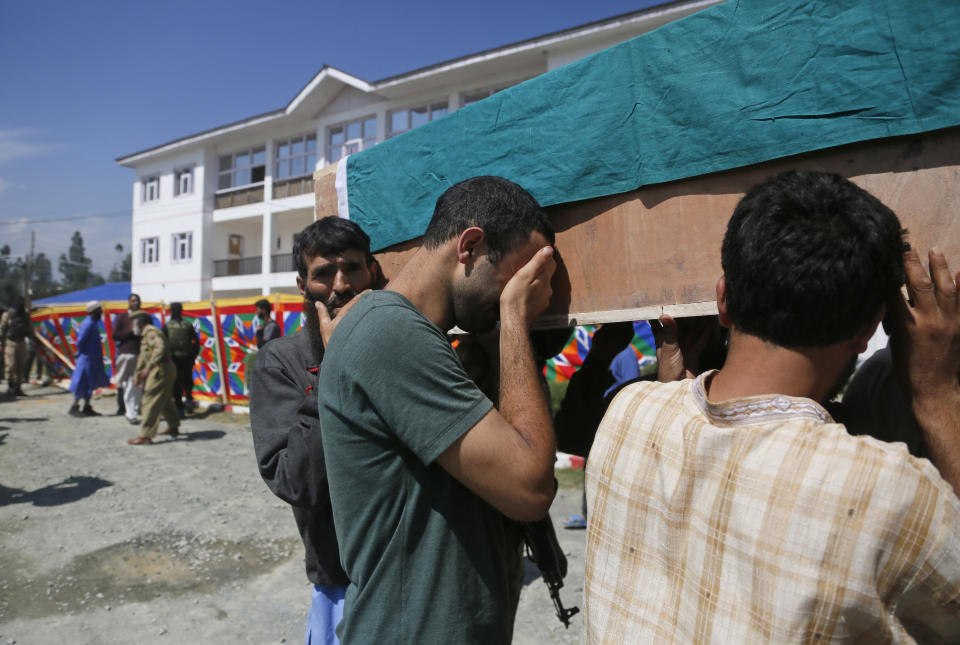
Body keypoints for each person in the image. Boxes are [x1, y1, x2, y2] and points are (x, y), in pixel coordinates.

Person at [583, 170, 960, 642]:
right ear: (868, 332)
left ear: (723, 300)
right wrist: (937, 392)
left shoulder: (629, 411)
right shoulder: (888, 490)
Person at [317, 176, 557, 643]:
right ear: (469, 246)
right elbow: (529, 488)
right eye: (515, 279)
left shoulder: (412, 334)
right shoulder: (389, 332)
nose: (521, 293)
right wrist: (513, 319)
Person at [250, 216, 385, 645]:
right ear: (303, 285)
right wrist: (335, 366)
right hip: (342, 584)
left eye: (353, 269)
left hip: (415, 575)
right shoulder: (281, 361)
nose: (341, 285)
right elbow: (296, 481)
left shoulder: (402, 348)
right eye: (324, 274)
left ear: (374, 273)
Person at [127, 311, 179, 445]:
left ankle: (146, 436)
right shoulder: (145, 335)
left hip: (161, 370)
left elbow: (159, 348)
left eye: (134, 323)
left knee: (150, 400)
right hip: (162, 369)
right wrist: (137, 374)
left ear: (140, 322)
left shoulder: (151, 332)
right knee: (165, 399)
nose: (133, 326)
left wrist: (148, 368)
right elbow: (143, 356)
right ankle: (173, 427)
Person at [67, 301, 111, 416]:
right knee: (82, 382)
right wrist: (80, 353)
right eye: (99, 310)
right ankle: (74, 406)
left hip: (93, 359)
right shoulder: (88, 324)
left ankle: (87, 406)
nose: (101, 312)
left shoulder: (93, 323)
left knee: (90, 383)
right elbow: (81, 341)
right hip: (86, 359)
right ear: (93, 312)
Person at [162, 303, 200, 417]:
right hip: (176, 358)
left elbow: (196, 342)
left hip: (183, 358)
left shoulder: (185, 325)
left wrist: (193, 355)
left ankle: (185, 403)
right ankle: (182, 406)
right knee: (180, 383)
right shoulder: (171, 325)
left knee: (183, 382)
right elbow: (163, 342)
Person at [112, 293, 143, 422]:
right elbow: (115, 335)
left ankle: (135, 409)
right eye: (133, 301)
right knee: (129, 384)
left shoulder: (144, 317)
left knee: (139, 384)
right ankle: (129, 412)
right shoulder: (123, 317)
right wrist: (129, 332)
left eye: (137, 301)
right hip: (127, 353)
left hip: (141, 354)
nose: (135, 303)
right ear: (129, 303)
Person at [0, 297, 31, 397]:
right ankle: (10, 387)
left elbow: (30, 328)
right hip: (11, 343)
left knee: (20, 366)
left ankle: (18, 388)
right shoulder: (8, 315)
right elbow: (1, 330)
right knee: (10, 366)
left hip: (22, 342)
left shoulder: (25, 315)